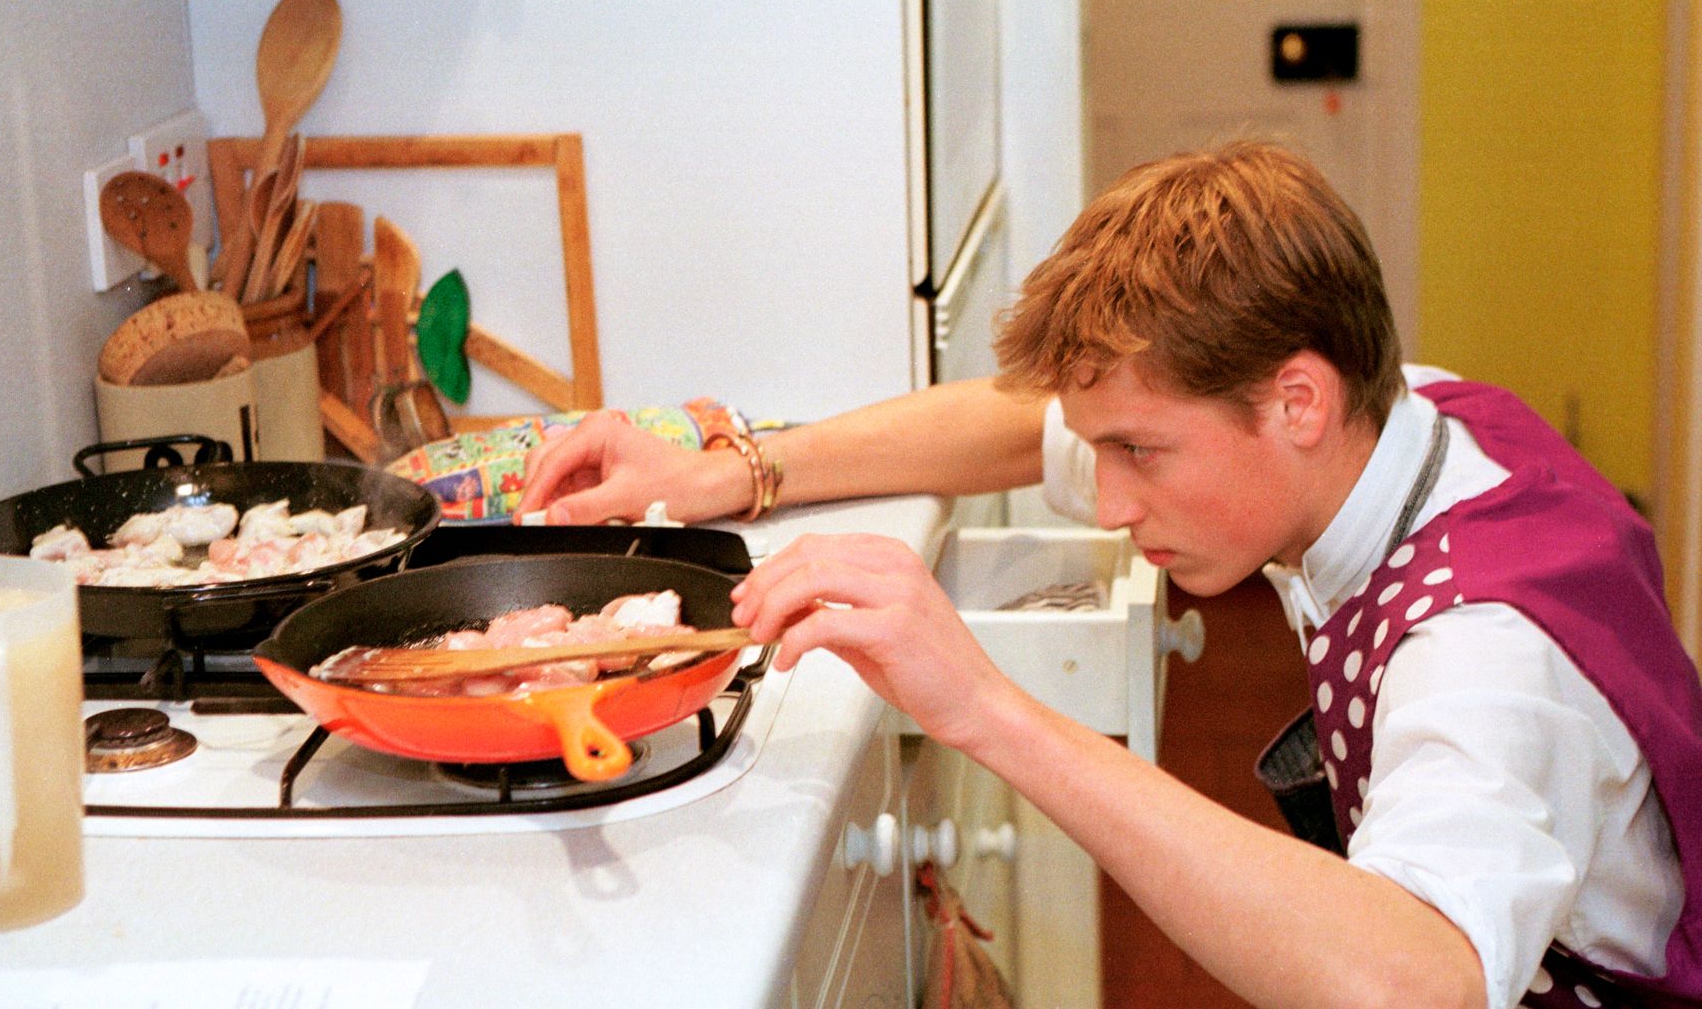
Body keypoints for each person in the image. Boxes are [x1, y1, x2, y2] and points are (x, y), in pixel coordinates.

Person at [515, 142, 1702, 1009]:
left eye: (1140, 453)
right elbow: (1012, 426)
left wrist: (986, 709)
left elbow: (1415, 983)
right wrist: (742, 471)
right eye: (1105, 450)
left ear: (1297, 399)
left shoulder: (1484, 659)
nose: (1111, 499)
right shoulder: (1393, 414)